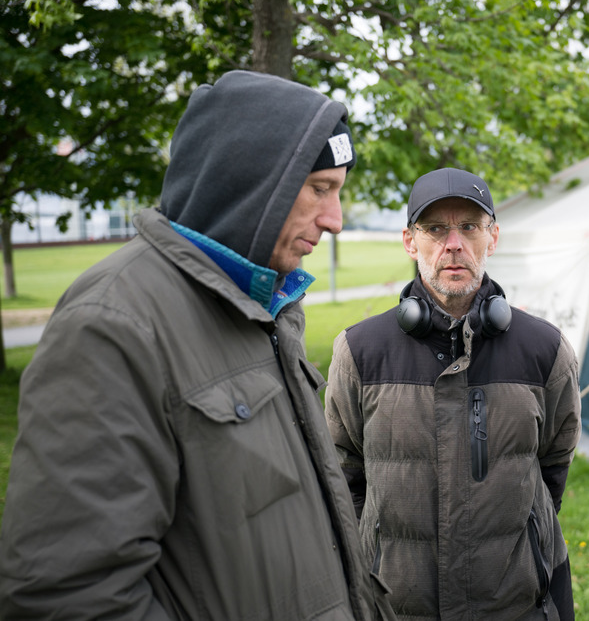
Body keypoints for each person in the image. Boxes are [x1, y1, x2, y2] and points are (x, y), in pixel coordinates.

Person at [0, 70, 394, 620]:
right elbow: (67, 594)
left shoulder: (269, 307)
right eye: (320, 189)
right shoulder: (112, 324)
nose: (335, 221)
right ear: (251, 181)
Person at [324, 167, 582, 620]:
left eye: (469, 227)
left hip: (516, 607)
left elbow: (551, 468)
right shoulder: (359, 351)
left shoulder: (546, 349)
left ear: (493, 237)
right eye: (436, 229)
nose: (453, 244)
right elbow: (343, 478)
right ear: (410, 241)